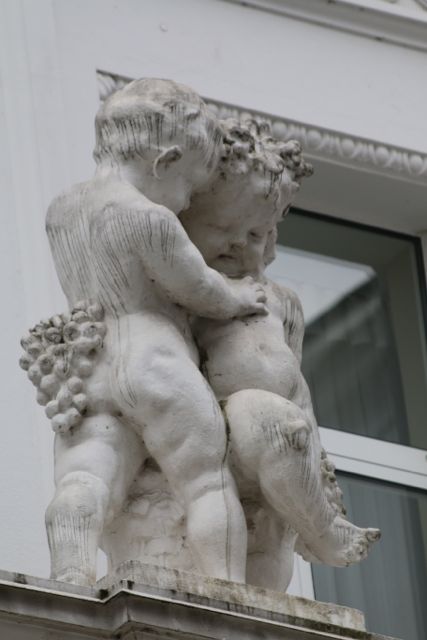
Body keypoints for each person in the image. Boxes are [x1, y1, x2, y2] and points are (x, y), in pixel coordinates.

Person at [43, 79, 267, 585]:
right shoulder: (149, 218)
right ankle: (227, 590)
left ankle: (70, 575)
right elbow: (198, 286)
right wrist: (239, 297)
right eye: (189, 187)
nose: (187, 202)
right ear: (165, 161)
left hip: (88, 361)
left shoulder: (61, 210)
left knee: (83, 474)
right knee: (205, 479)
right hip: (153, 357)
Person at [182, 118, 380, 590]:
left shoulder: (283, 301)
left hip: (285, 433)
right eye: (225, 228)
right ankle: (324, 530)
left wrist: (315, 449)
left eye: (256, 234)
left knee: (275, 536)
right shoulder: (189, 291)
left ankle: (312, 520)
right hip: (221, 423)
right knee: (272, 419)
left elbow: (295, 376)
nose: (240, 243)